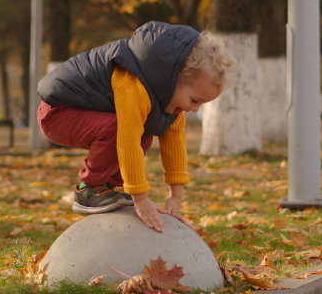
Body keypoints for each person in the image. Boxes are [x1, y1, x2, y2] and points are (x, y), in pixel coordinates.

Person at [36, 21, 236, 232]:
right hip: (57, 113)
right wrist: (140, 199)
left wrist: (175, 197)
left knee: (145, 133)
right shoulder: (133, 83)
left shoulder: (168, 101)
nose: (194, 109)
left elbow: (174, 143)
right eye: (194, 100)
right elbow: (127, 140)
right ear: (173, 79)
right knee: (119, 128)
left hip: (83, 114)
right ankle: (89, 191)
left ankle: (105, 189)